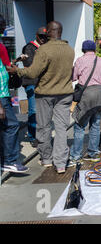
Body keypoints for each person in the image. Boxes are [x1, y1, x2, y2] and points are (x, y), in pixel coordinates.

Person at [7, 21, 75, 174]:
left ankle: (47, 159)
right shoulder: (70, 50)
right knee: (61, 128)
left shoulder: (44, 50)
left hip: (45, 93)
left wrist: (17, 70)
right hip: (64, 93)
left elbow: (32, 73)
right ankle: (61, 163)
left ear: (51, 32)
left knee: (44, 126)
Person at [69, 40, 101, 165]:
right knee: (95, 126)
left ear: (83, 50)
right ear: (95, 50)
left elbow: (74, 78)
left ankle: (76, 156)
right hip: (99, 95)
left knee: (80, 125)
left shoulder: (80, 61)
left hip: (86, 96)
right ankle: (93, 153)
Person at [18, 27, 48, 147]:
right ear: (36, 35)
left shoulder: (44, 49)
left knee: (42, 111)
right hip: (31, 82)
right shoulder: (29, 47)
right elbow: (30, 65)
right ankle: (32, 136)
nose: (42, 39)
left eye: (44, 37)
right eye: (41, 36)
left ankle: (40, 135)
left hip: (42, 84)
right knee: (33, 110)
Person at [0, 59, 29, 173]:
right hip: (1, 98)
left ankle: (6, 160)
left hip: (4, 96)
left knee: (7, 127)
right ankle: (9, 161)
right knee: (12, 126)